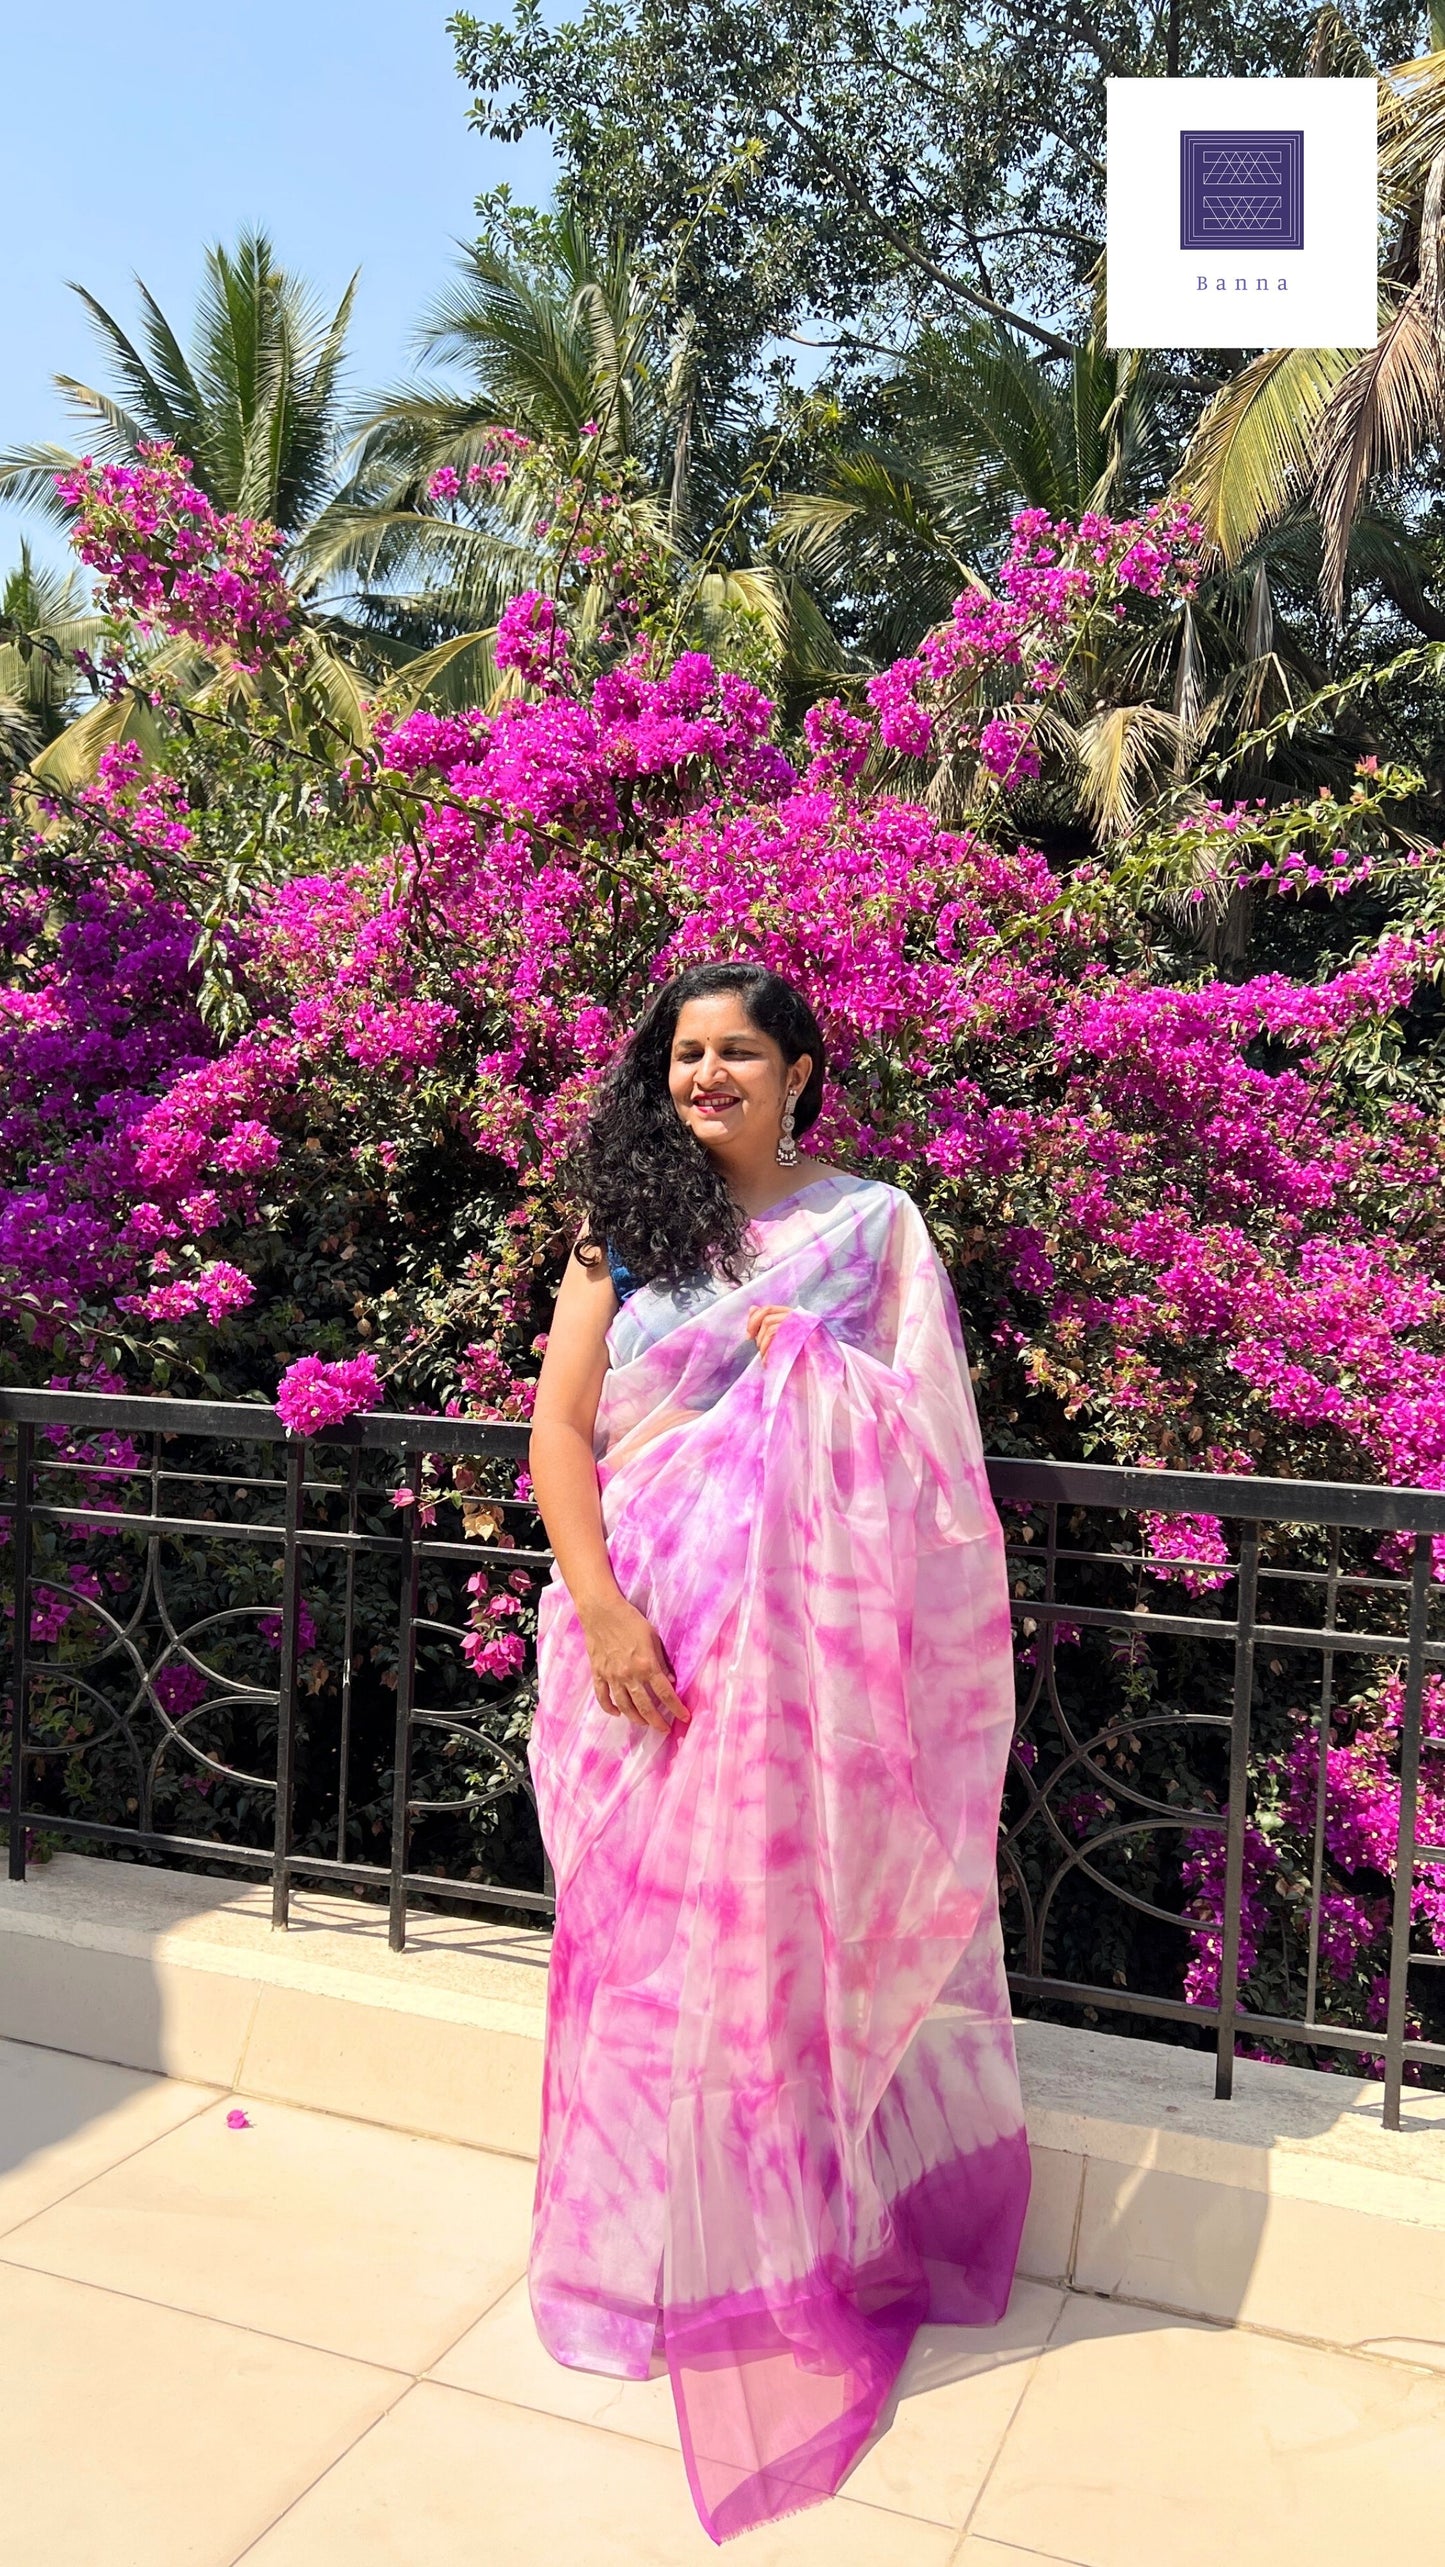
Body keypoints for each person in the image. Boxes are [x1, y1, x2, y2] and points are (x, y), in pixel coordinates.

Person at [526, 959, 1029, 2544]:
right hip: (643, 1644)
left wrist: (809, 1383)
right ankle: (626, 2267)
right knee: (640, 1951)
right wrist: (603, 1609)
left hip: (802, 1660)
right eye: (685, 1052)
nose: (706, 1075)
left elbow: (931, 1451)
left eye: (738, 1050)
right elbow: (559, 1428)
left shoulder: (871, 1227)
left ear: (800, 1067)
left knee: (777, 1963)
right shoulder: (627, 1223)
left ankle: (776, 2261)